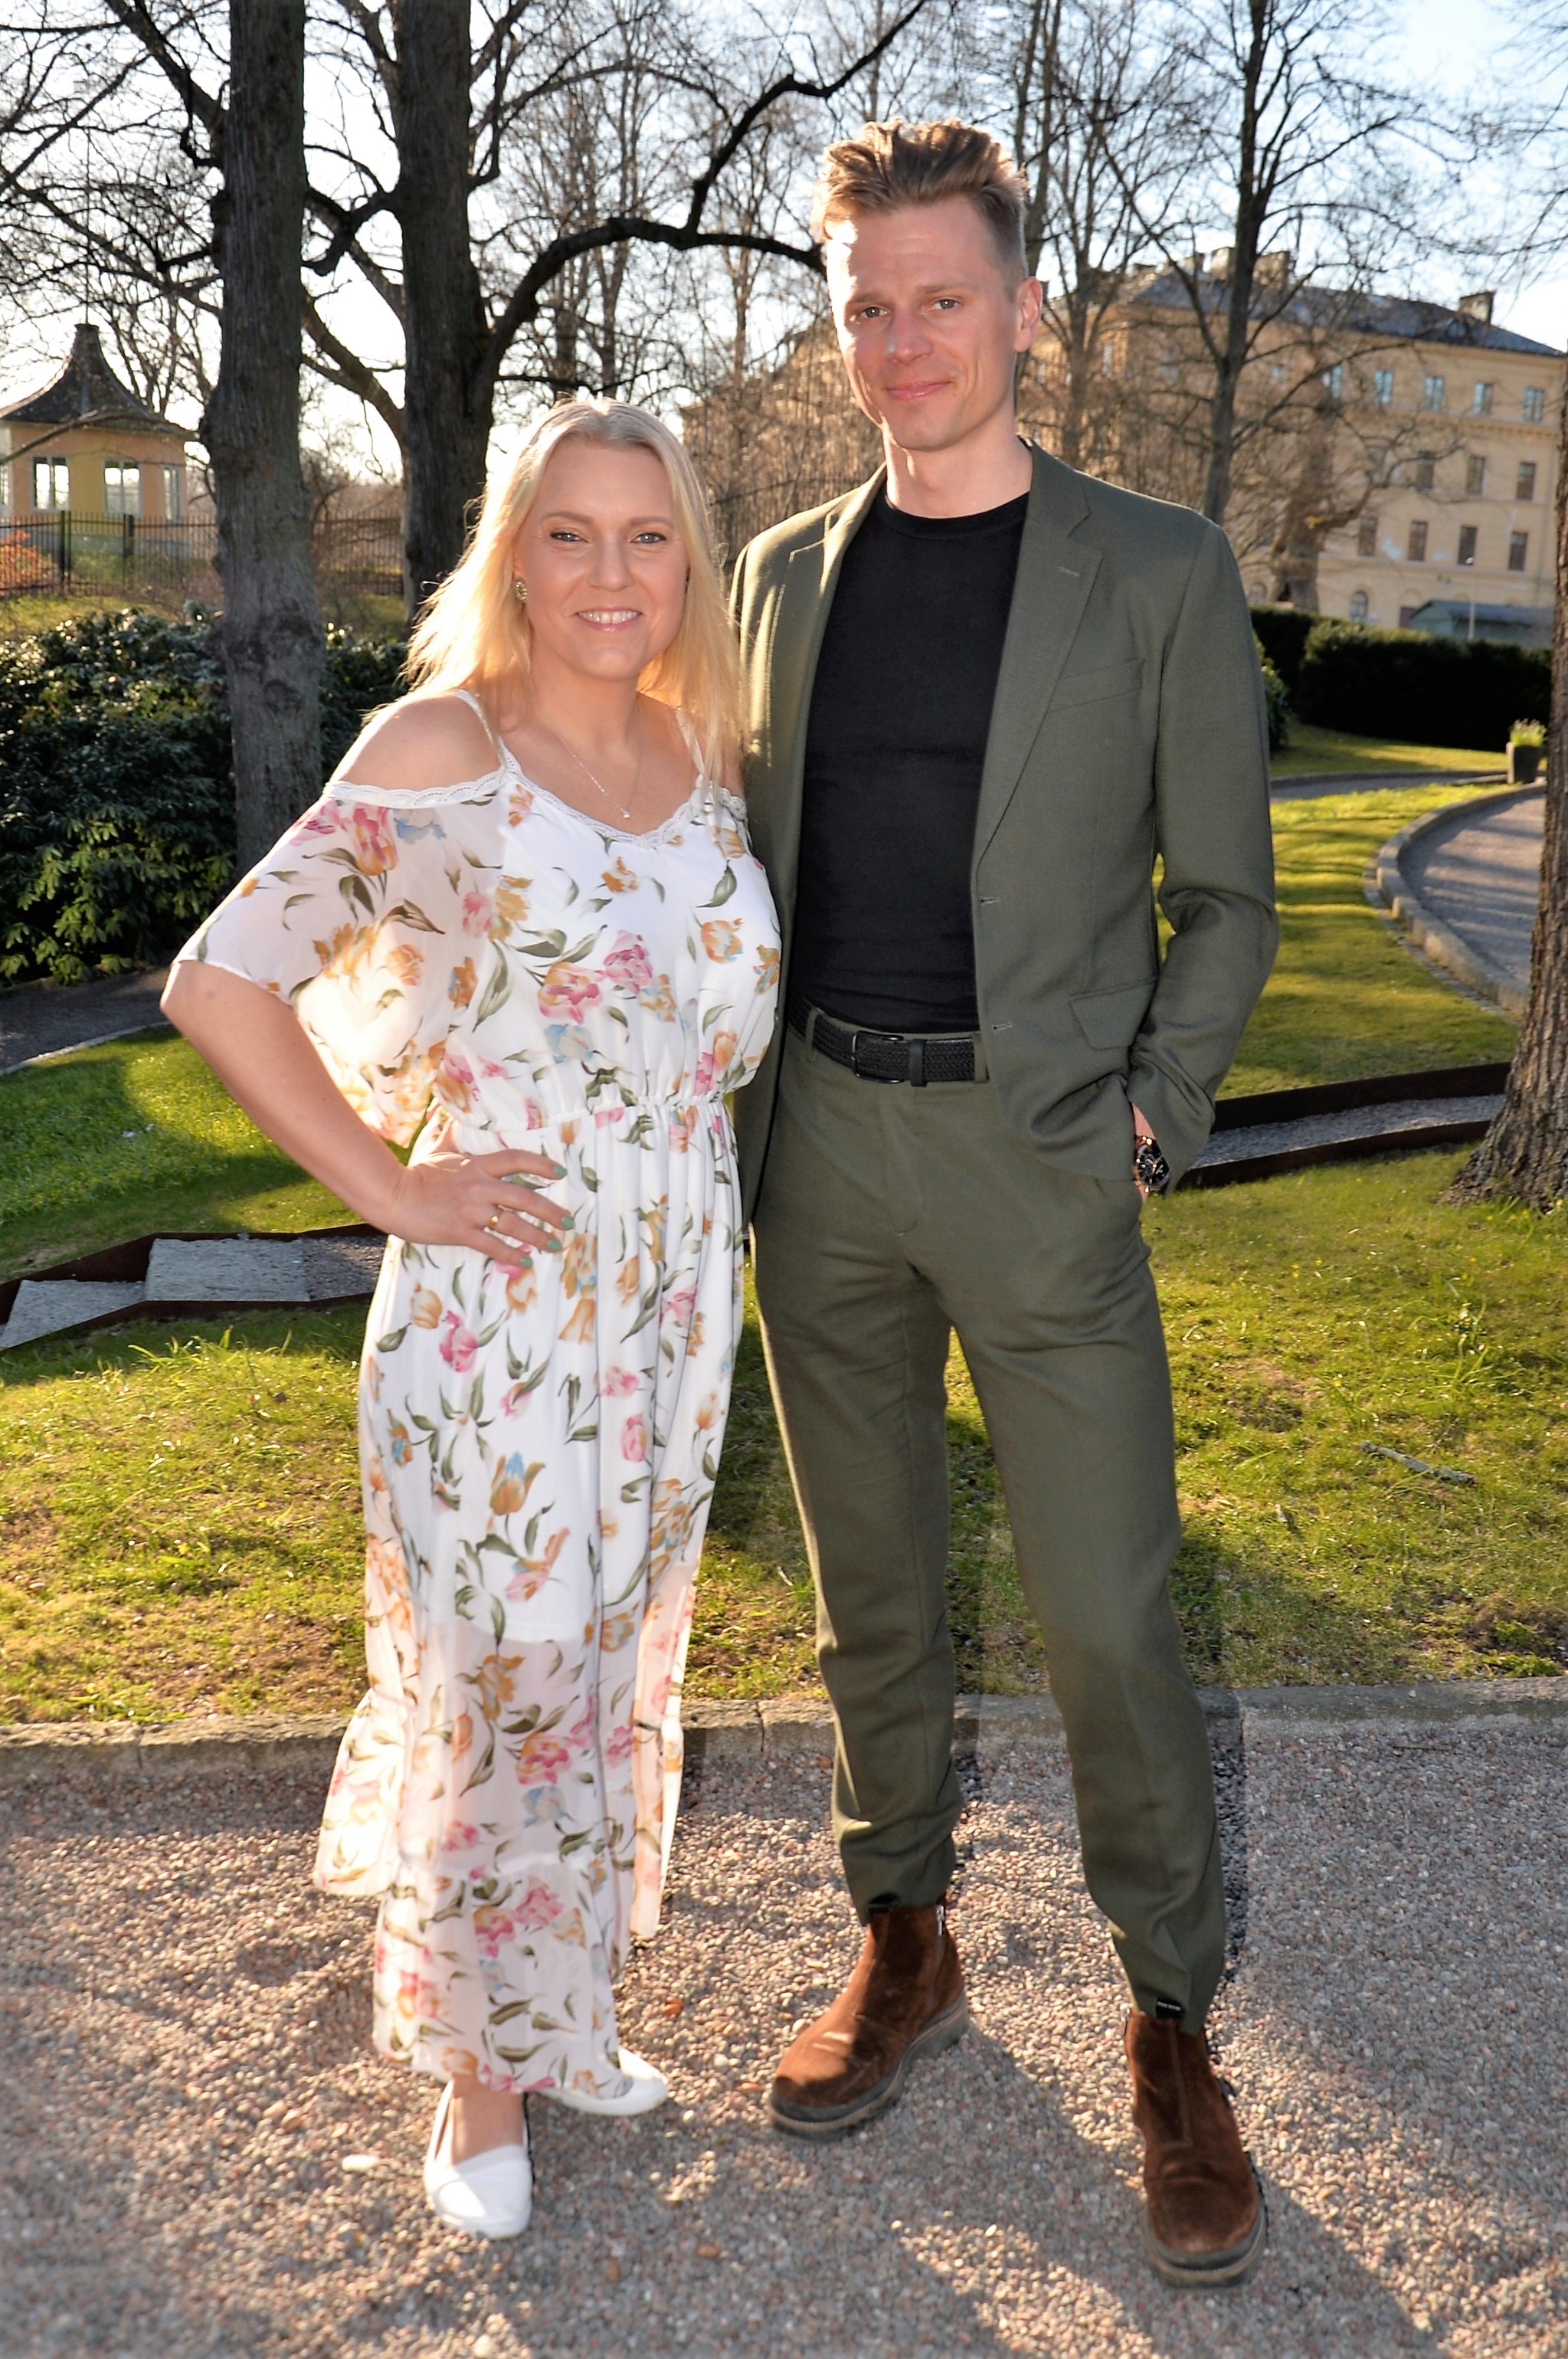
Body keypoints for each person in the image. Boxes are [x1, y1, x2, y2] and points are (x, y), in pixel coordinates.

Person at [729, 120, 1278, 2288]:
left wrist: (1155, 1107)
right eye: (867, 306)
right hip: (820, 1152)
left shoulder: (1156, 568)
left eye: (940, 298)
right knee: (871, 1589)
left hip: (1044, 1160)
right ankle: (903, 1933)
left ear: (1024, 311)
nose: (902, 342)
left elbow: (1228, 896)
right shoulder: (777, 575)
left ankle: (1169, 2021)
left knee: (1108, 1614)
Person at [163, 399, 780, 2241]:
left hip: (670, 1301)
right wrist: (397, 1188)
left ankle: (560, 2015)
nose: (610, 571)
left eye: (647, 535)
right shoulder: (442, 747)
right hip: (497, 1313)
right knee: (504, 1664)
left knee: (608, 1656)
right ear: (512, 557)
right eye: (567, 533)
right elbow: (222, 981)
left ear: (689, 564)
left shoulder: (700, 753)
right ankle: (475, 2077)